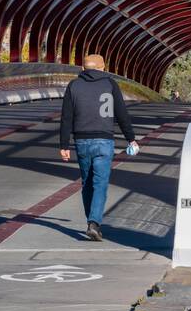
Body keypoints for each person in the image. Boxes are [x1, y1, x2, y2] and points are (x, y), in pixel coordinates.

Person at [59, 54, 138, 242]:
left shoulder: (74, 86)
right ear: (103, 68)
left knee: (86, 182)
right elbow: (121, 114)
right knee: (100, 183)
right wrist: (131, 139)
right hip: (104, 141)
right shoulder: (110, 84)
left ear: (83, 69)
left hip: (82, 142)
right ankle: (94, 223)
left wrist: (64, 145)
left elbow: (66, 117)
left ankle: (91, 222)